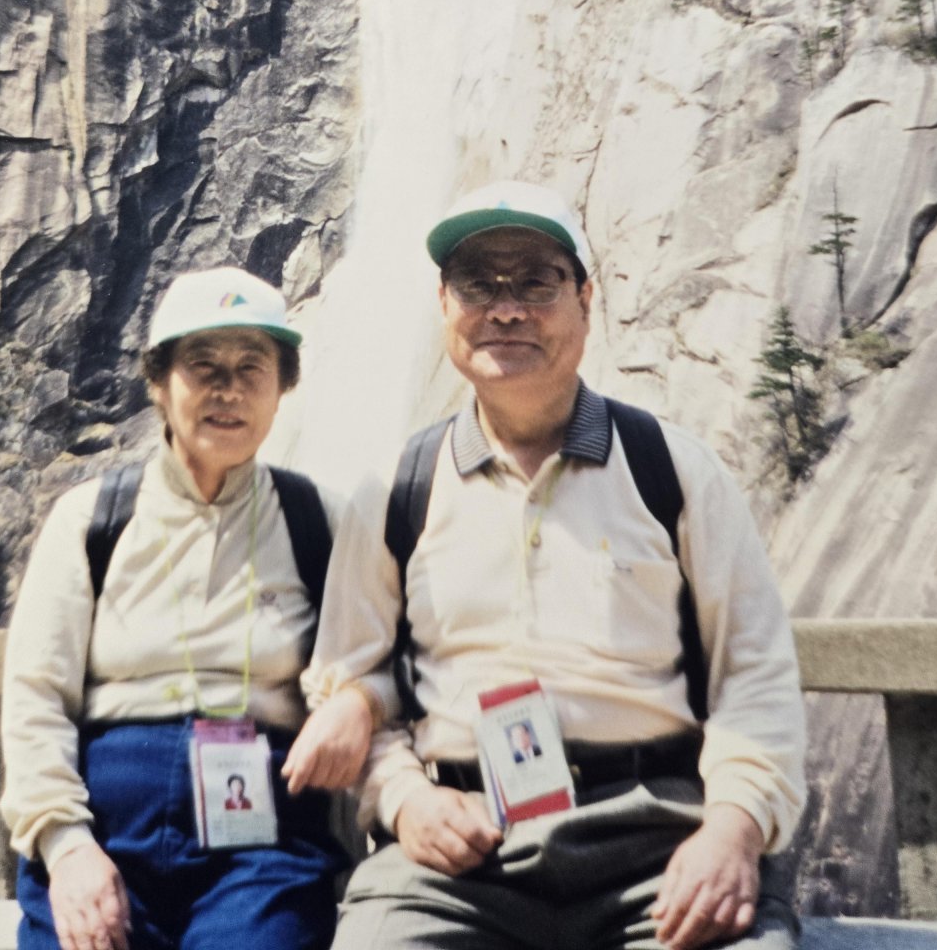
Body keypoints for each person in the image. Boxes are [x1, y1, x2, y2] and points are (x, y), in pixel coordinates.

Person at [304, 181, 806, 950]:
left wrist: (734, 830)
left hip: (658, 839)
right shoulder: (397, 488)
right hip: (458, 855)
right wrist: (405, 799)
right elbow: (347, 679)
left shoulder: (672, 470)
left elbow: (756, 673)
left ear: (585, 300)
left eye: (537, 282)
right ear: (444, 303)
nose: (506, 310)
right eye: (479, 284)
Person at [0, 266, 377, 950]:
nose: (228, 390)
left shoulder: (318, 521)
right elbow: (36, 698)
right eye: (203, 366)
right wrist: (67, 848)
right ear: (159, 382)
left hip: (263, 844)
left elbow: (370, 659)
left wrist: (358, 700)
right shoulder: (91, 521)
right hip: (103, 827)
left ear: (283, 387)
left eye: (252, 367)